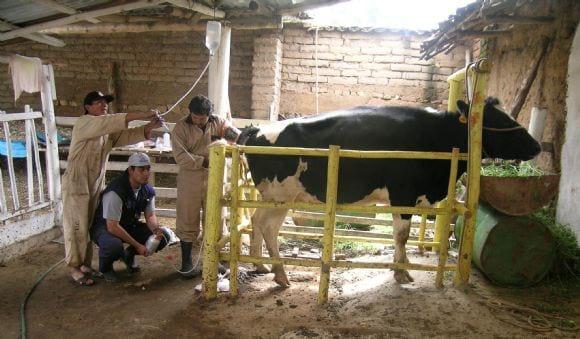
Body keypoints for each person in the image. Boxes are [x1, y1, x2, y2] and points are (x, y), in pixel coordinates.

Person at [62, 91, 162, 286]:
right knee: (76, 224)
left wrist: (149, 126)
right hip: (76, 182)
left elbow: (125, 136)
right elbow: (114, 120)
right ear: (88, 108)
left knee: (88, 224)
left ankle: (84, 264)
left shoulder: (105, 132)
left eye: (105, 103)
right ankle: (74, 267)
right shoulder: (85, 123)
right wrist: (144, 114)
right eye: (98, 103)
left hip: (94, 182)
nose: (103, 105)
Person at [171, 95, 240, 278]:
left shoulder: (218, 122)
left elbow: (234, 136)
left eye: (202, 118)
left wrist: (233, 138)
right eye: (195, 117)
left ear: (209, 115)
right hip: (190, 178)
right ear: (190, 113)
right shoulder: (180, 128)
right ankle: (186, 262)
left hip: (215, 178)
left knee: (215, 218)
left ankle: (213, 260)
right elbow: (180, 157)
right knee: (187, 217)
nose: (199, 120)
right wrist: (207, 161)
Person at [90, 152, 170, 282]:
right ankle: (106, 268)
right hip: (105, 227)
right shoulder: (115, 191)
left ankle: (129, 254)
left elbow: (150, 215)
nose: (146, 173)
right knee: (113, 246)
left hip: (128, 225)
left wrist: (156, 230)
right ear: (130, 170)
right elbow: (112, 227)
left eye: (148, 168)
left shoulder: (147, 190)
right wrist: (138, 245)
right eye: (141, 169)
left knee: (163, 237)